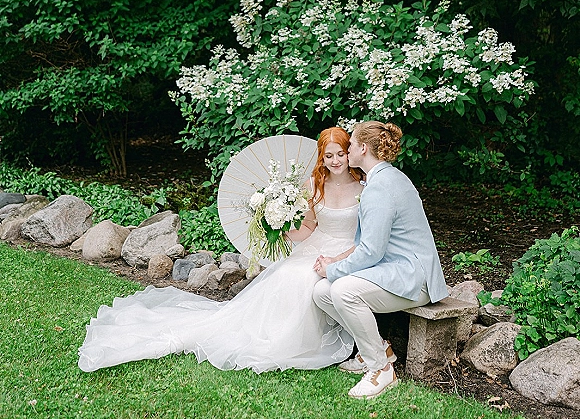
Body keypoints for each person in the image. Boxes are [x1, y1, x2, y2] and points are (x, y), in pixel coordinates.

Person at [78, 127, 365, 373]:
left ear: (348, 153)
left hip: (350, 247)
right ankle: (272, 336)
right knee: (289, 273)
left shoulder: (364, 186)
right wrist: (281, 223)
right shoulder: (313, 185)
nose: (335, 160)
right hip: (317, 246)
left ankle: (302, 339)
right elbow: (308, 230)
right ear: (321, 157)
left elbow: (368, 234)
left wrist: (339, 257)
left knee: (304, 278)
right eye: (329, 155)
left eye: (340, 153)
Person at [313, 121, 448, 399]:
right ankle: (377, 349)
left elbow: (371, 252)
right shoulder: (385, 177)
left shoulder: (380, 187)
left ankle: (381, 370)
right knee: (321, 293)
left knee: (342, 290)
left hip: (414, 277)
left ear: (362, 148)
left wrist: (334, 269)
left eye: (350, 144)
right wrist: (334, 262)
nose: (347, 149)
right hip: (395, 270)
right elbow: (368, 245)